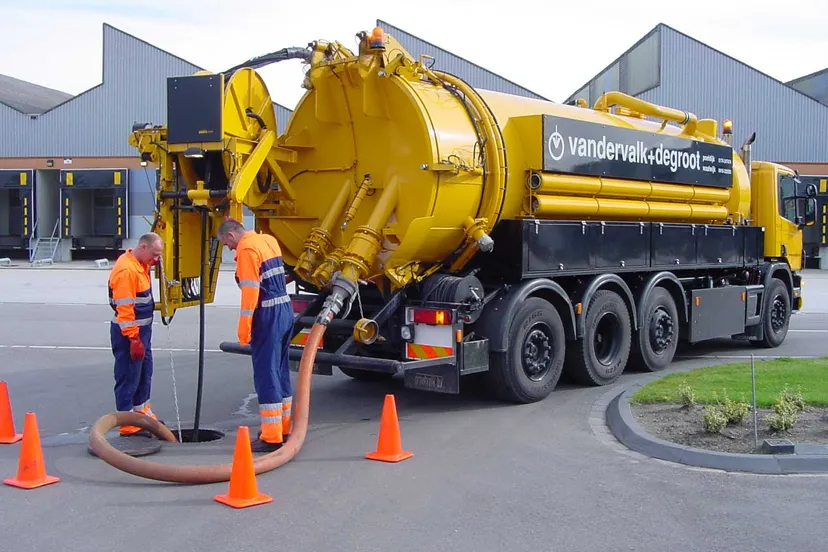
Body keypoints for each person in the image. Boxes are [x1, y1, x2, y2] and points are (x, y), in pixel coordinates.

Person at [218, 218, 294, 453]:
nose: (230, 250)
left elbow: (250, 294)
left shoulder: (247, 249)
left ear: (231, 235)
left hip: (268, 313)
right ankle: (283, 427)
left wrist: (244, 329)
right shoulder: (267, 240)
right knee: (281, 370)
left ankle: (271, 437)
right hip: (285, 309)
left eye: (227, 245)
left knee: (265, 373)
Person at [108, 232, 164, 437]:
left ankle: (142, 413)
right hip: (129, 334)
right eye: (155, 254)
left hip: (142, 333)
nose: (156, 260)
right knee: (128, 376)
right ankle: (128, 423)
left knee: (144, 373)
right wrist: (133, 338)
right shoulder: (126, 271)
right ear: (143, 248)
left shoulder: (141, 264)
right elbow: (125, 309)